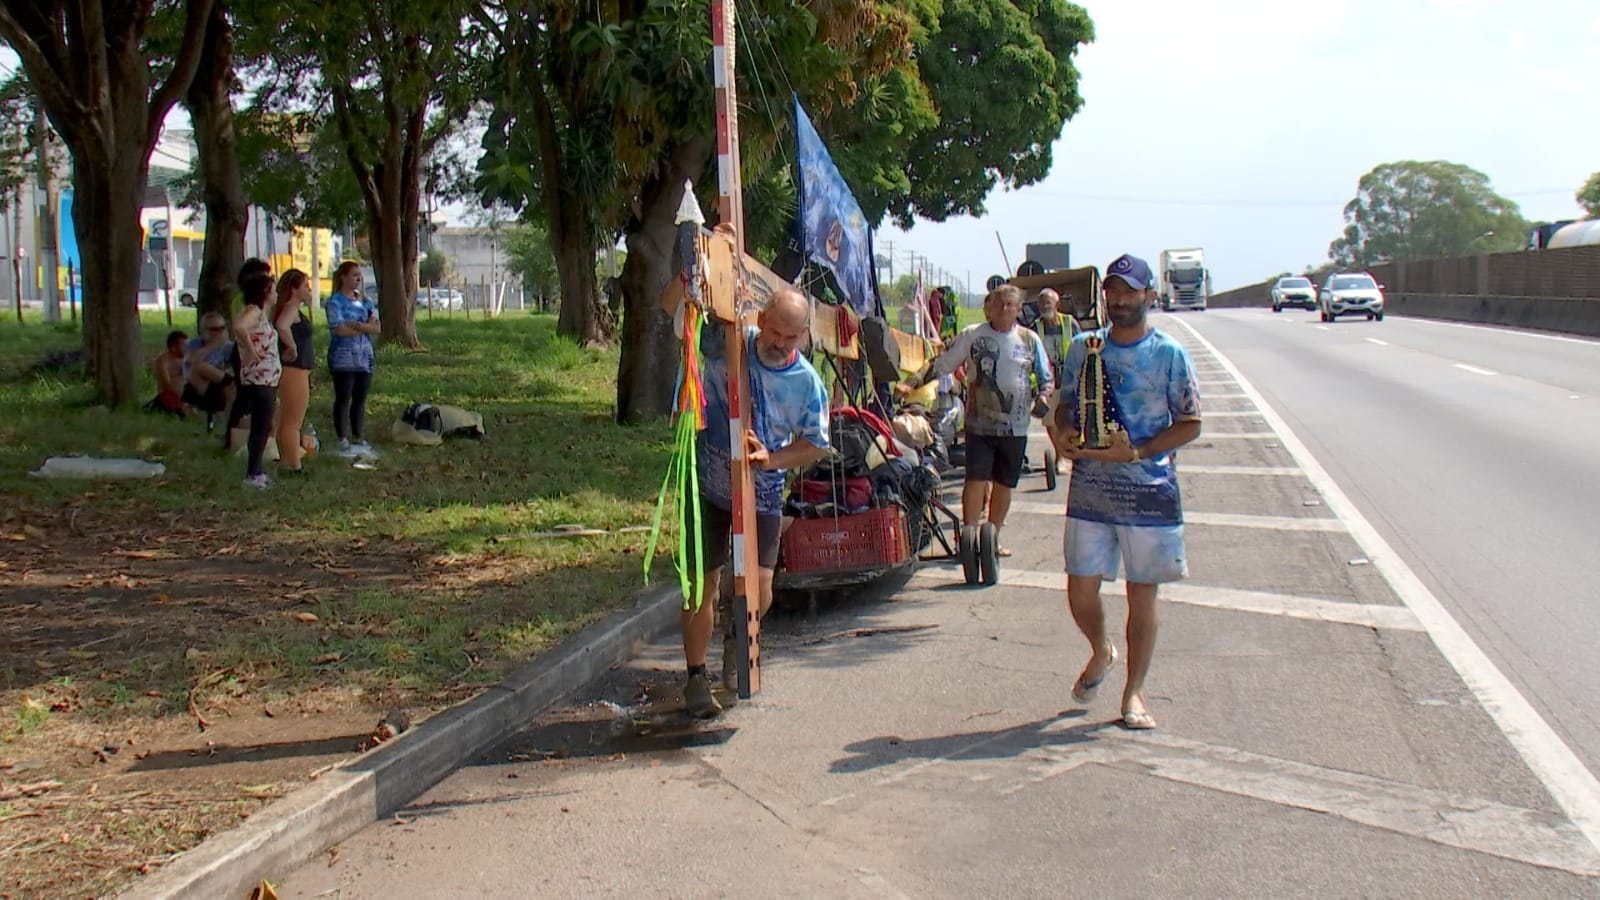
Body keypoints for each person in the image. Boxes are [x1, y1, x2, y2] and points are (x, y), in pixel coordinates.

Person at [1049, 254, 1202, 731]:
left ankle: (1134, 693)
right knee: (1080, 589)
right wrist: (1066, 433)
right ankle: (1101, 649)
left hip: (1149, 492)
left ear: (1149, 297)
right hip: (1092, 487)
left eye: (1129, 292)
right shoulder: (1084, 348)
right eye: (1112, 292)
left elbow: (1190, 423)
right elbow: (1064, 409)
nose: (1119, 300)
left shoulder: (1169, 355)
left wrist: (1139, 452)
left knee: (1143, 595)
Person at [684, 286, 829, 718]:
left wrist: (771, 458)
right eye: (775, 331)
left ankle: (736, 637)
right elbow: (681, 307)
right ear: (761, 319)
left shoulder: (806, 382)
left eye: (791, 336)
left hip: (761, 491)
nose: (780, 343)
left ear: (803, 335)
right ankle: (695, 678)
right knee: (699, 587)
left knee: (761, 587)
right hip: (707, 484)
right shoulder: (726, 341)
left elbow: (815, 445)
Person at [900, 284, 1052, 557]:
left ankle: (993, 538)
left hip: (1015, 427)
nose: (1005, 309)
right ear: (989, 307)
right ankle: (968, 539)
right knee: (976, 479)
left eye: (1010, 304)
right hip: (979, 425)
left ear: (1018, 309)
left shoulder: (1029, 340)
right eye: (999, 304)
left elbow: (1045, 378)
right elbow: (943, 363)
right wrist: (910, 383)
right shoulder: (972, 336)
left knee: (1005, 483)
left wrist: (1043, 397)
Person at [325, 261, 380, 459]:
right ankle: (342, 437)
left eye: (360, 275)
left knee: (360, 398)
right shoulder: (335, 302)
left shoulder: (365, 301)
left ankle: (358, 435)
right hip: (343, 357)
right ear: (343, 277)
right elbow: (338, 328)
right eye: (354, 275)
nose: (358, 279)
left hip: (364, 357)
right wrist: (362, 327)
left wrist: (357, 326)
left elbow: (376, 327)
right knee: (343, 397)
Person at [233, 271, 283, 489]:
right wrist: (251, 350)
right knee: (260, 427)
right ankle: (253, 473)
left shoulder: (262, 314)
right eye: (273, 289)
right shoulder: (253, 311)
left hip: (267, 378)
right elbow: (238, 326)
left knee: (264, 425)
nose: (276, 293)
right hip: (259, 379)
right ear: (264, 292)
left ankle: (256, 470)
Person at [273, 269, 316, 475]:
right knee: (293, 422)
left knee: (286, 419)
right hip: (294, 369)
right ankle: (294, 466)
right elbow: (282, 326)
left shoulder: (292, 309)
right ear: (294, 289)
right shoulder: (291, 308)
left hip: (298, 370)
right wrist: (292, 346)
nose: (309, 290)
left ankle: (286, 461)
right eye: (305, 286)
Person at [183, 312, 236, 430]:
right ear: (203, 330)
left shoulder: (229, 347)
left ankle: (228, 426)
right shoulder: (195, 344)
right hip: (199, 385)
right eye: (214, 329)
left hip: (223, 386)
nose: (219, 332)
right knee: (199, 366)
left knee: (232, 388)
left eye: (222, 328)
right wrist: (215, 344)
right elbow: (191, 360)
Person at [147, 330, 188, 416]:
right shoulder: (163, 361)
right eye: (184, 345)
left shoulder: (188, 359)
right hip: (169, 396)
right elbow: (166, 384)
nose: (187, 347)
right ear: (173, 348)